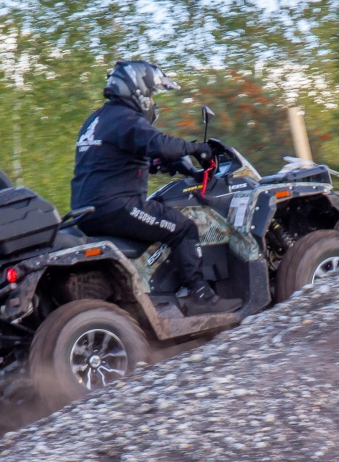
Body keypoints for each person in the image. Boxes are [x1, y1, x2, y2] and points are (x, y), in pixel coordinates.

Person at [70, 60, 243, 316]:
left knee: (161, 209)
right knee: (183, 228)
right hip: (117, 206)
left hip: (88, 211)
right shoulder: (125, 118)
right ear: (138, 89)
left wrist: (159, 163)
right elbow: (160, 143)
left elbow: (112, 159)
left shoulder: (97, 119)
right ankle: (201, 296)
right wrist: (197, 149)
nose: (152, 100)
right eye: (151, 93)